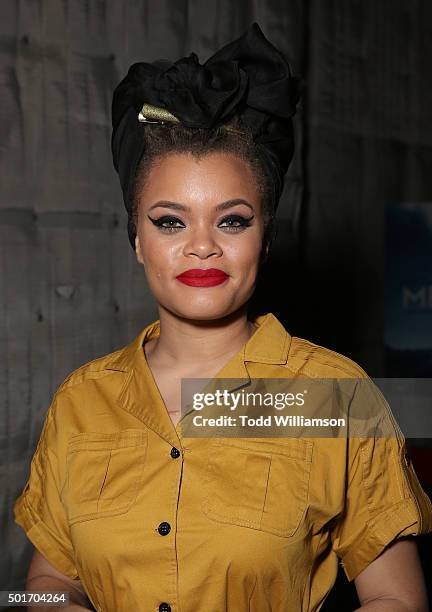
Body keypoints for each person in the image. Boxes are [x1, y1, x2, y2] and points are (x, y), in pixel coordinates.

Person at [13, 22, 432, 612]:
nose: (202, 246)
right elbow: (44, 586)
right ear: (137, 239)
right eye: (169, 221)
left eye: (232, 220)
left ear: (265, 238)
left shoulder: (335, 398)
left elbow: (398, 600)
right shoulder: (79, 403)